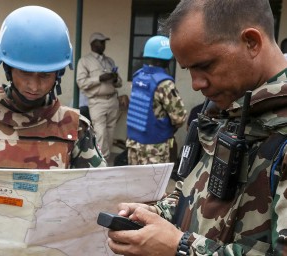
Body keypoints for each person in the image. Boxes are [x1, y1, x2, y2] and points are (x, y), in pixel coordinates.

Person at [106, 0, 287, 255]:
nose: (195, 84)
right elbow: (192, 191)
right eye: (188, 69)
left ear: (251, 42)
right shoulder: (226, 108)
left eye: (204, 66)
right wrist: (157, 214)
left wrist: (179, 247)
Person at [0, 6, 106, 169]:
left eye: (45, 75)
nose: (34, 86)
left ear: (58, 75)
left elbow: (98, 189)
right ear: (8, 69)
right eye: (25, 73)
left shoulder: (76, 128)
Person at [126, 35, 186, 165]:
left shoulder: (138, 76)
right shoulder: (164, 83)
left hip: (133, 145)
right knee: (154, 185)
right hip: (154, 148)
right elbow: (179, 117)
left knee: (135, 183)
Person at [76, 32, 122, 160]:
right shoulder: (85, 61)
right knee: (100, 133)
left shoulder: (109, 61)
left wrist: (114, 79)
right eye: (100, 42)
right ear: (93, 44)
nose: (103, 45)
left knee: (110, 133)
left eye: (104, 42)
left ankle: (104, 159)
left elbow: (120, 83)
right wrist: (100, 78)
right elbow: (81, 83)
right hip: (97, 101)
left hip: (112, 99)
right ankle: (102, 162)